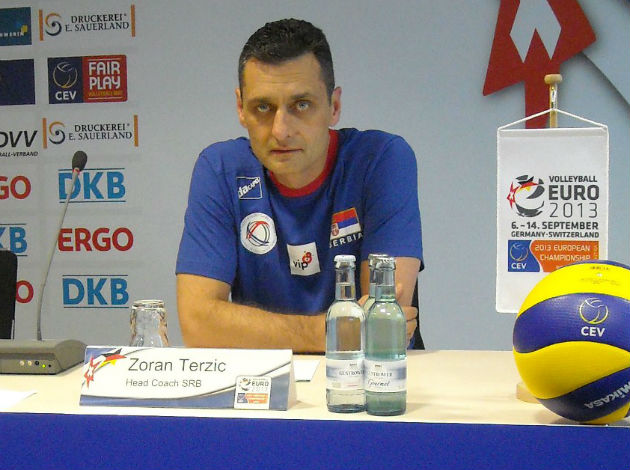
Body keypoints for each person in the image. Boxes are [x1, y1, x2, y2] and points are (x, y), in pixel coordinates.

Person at [176, 18, 423, 353]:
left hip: (372, 376)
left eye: (301, 105)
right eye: (263, 107)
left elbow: (382, 326)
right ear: (240, 108)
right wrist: (330, 332)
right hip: (263, 379)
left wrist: (248, 328)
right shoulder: (220, 169)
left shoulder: (381, 159)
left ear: (334, 106)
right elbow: (197, 324)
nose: (281, 130)